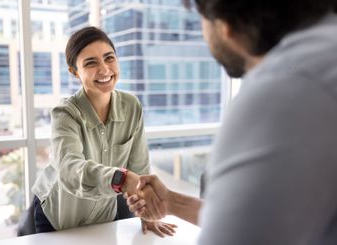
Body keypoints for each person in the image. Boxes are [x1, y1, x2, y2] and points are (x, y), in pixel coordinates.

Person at [126, 0, 337, 244]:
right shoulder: (324, 54)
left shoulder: (285, 87)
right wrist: (173, 202)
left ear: (224, 24)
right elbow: (265, 216)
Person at [31, 26, 176, 237]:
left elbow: (140, 165)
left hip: (104, 215)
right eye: (91, 63)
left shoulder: (131, 106)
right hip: (59, 216)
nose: (105, 69)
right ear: (75, 72)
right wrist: (121, 179)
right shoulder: (65, 114)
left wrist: (147, 215)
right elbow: (70, 169)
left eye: (109, 58)